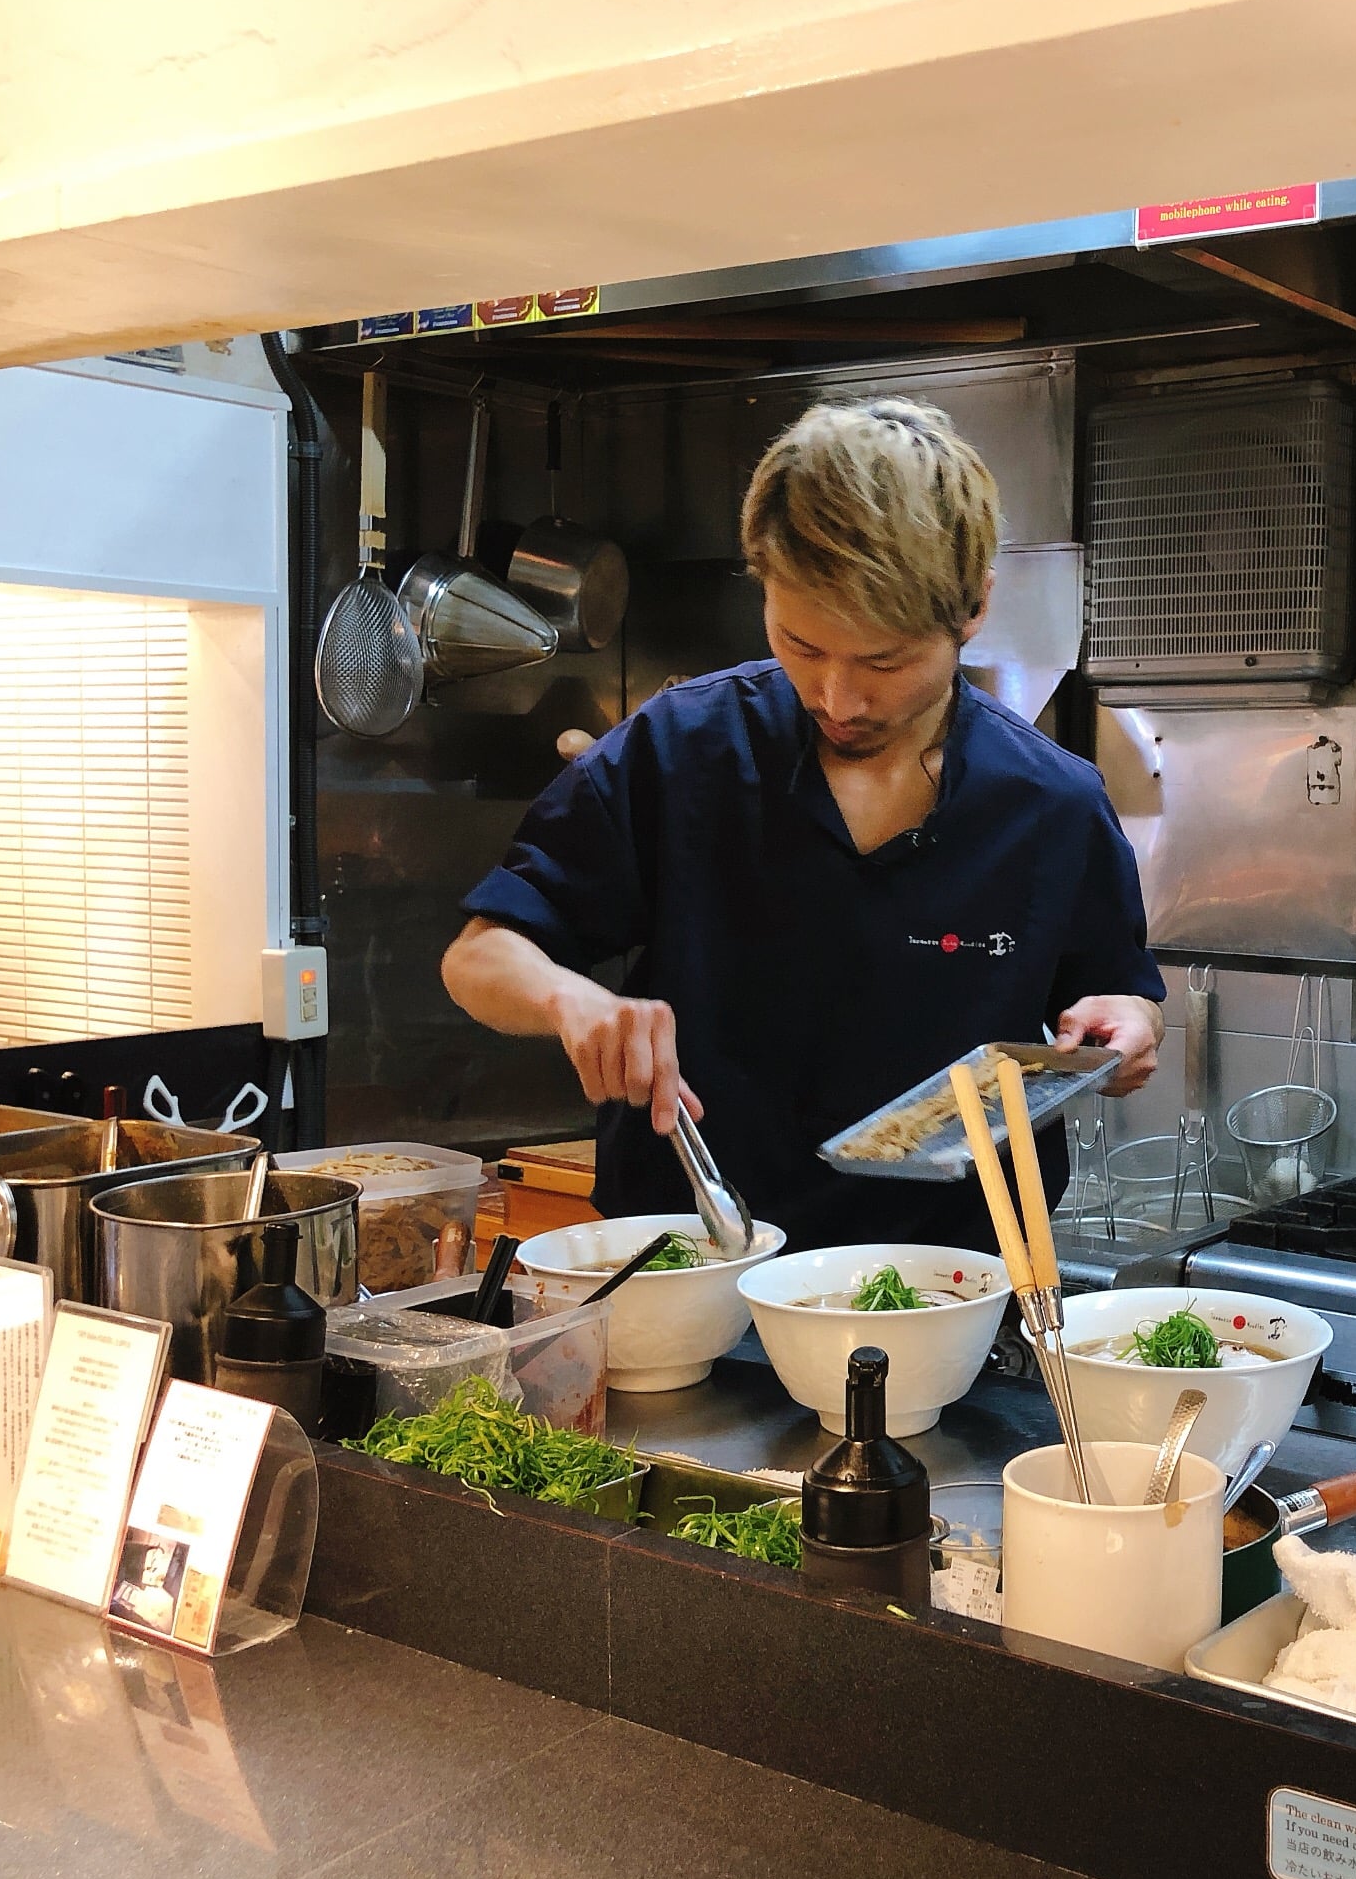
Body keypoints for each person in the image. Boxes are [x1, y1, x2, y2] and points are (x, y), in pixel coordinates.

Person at [443, 398, 1164, 1250]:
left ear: (974, 608)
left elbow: (1119, 1001)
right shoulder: (681, 751)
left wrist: (1127, 1027)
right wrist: (570, 1000)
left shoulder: (1053, 804)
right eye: (801, 645)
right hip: (698, 1279)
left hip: (949, 1297)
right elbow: (479, 956)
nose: (837, 699)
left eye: (884, 661)